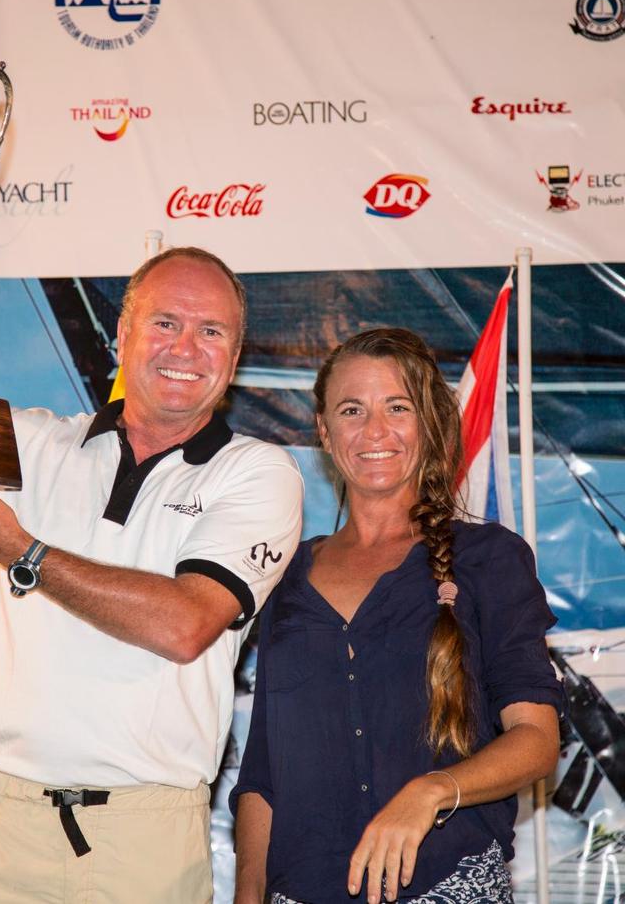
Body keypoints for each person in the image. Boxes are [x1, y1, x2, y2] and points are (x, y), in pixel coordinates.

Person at [0, 232, 304, 903]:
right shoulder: (26, 440)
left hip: (143, 832)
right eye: (164, 323)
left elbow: (185, 622)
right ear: (121, 335)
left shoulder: (258, 471)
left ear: (234, 358)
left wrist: (24, 552)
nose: (185, 347)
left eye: (211, 331)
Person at [232, 328, 563, 904]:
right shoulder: (285, 577)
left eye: (397, 407)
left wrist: (432, 791)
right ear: (324, 433)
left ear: (427, 423)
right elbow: (263, 772)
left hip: (449, 881)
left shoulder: (488, 559)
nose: (375, 431)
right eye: (352, 409)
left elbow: (536, 740)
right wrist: (247, 894)